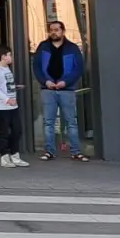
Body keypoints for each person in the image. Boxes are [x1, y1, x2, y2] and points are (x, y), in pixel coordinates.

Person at [31, 20, 88, 161]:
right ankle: (49, 151)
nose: (54, 32)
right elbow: (36, 67)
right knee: (48, 123)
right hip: (48, 90)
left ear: (63, 31)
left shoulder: (72, 48)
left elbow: (78, 68)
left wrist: (65, 82)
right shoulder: (43, 47)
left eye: (56, 29)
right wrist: (45, 81)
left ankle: (75, 152)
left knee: (71, 122)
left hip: (67, 90)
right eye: (51, 30)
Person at [0, 46, 28, 167]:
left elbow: (5, 85)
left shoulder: (7, 68)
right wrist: (7, 99)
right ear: (3, 57)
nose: (11, 57)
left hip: (12, 105)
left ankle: (15, 155)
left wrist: (15, 87)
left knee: (17, 130)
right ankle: (4, 157)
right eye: (9, 55)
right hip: (2, 106)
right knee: (4, 132)